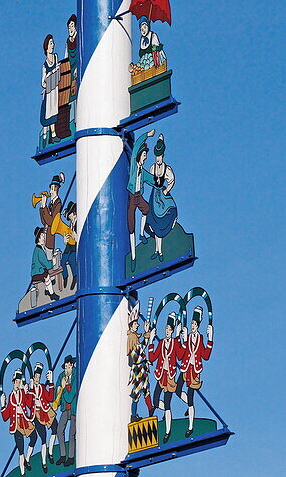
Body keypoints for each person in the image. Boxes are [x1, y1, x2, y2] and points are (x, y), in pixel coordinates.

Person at [175, 307, 213, 438]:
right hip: (185, 368)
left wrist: (210, 339)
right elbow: (180, 356)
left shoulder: (200, 338)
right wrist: (183, 340)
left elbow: (205, 355)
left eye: (194, 324)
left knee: (191, 398)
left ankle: (190, 426)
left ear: (198, 325)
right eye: (191, 324)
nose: (192, 326)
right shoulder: (188, 337)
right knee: (177, 389)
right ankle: (188, 405)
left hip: (194, 371)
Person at [147, 313, 180, 443]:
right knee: (155, 401)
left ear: (172, 331)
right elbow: (152, 357)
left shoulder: (175, 343)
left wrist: (180, 336)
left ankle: (167, 431)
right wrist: (151, 342)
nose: (166, 331)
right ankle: (164, 417)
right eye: (166, 329)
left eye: (169, 329)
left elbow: (182, 354)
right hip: (161, 376)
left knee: (167, 404)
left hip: (170, 377)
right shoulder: (161, 343)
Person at [144, 135, 177, 261]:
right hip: (154, 196)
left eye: (160, 156)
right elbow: (150, 179)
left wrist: (167, 190)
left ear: (162, 156)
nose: (158, 159)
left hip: (162, 197)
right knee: (154, 221)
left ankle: (160, 251)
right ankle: (157, 250)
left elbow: (171, 180)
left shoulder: (166, 168)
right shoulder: (153, 167)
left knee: (162, 220)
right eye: (156, 156)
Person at [127, 129, 156, 269]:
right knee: (130, 226)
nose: (145, 158)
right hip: (131, 197)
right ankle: (133, 257)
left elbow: (152, 180)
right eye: (144, 155)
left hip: (138, 196)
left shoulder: (142, 172)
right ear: (139, 156)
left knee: (146, 209)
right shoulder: (134, 165)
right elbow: (137, 145)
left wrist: (160, 181)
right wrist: (147, 136)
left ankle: (141, 233)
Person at [0, 370, 36, 476]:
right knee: (20, 449)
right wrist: (3, 405)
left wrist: (27, 392)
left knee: (34, 437)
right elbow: (6, 416)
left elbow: (29, 404)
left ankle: (27, 459)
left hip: (25, 420)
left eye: (19, 381)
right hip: (16, 425)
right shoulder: (11, 397)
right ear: (13, 382)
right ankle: (22, 473)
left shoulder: (22, 393)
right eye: (16, 381)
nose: (18, 383)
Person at [28, 363, 57, 474]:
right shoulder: (30, 390)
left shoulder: (41, 387)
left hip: (46, 411)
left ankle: (50, 452)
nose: (37, 379)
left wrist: (50, 382)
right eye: (36, 377)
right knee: (43, 438)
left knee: (55, 429)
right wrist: (30, 390)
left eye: (39, 377)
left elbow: (50, 397)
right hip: (37, 415)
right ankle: (44, 462)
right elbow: (29, 403)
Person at [128, 302, 154, 421]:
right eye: (136, 323)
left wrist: (147, 334)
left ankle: (150, 410)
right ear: (131, 325)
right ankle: (134, 415)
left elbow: (142, 347)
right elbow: (139, 350)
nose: (137, 325)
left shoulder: (134, 339)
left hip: (142, 368)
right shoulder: (132, 339)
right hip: (138, 369)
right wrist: (147, 336)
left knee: (146, 390)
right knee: (138, 393)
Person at [52, 356, 77, 467]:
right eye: (65, 367)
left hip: (73, 408)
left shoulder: (76, 375)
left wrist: (64, 387)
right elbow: (56, 394)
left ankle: (71, 457)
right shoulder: (62, 376)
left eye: (68, 366)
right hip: (65, 408)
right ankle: (63, 455)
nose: (66, 369)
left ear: (72, 366)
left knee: (72, 433)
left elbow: (70, 397)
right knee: (59, 430)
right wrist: (58, 391)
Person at [39, 35, 61, 149]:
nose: (53, 45)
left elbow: (59, 69)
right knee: (48, 113)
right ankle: (48, 136)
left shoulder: (56, 57)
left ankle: (54, 135)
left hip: (55, 88)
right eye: (51, 43)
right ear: (46, 47)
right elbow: (43, 82)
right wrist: (48, 77)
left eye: (53, 43)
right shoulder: (45, 65)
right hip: (49, 91)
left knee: (54, 111)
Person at [30, 226, 59, 305]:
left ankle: (47, 290)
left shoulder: (41, 248)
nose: (44, 237)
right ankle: (52, 294)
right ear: (38, 238)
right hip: (37, 272)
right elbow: (45, 263)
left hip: (39, 270)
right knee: (46, 277)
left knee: (47, 275)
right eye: (42, 236)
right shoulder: (39, 250)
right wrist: (53, 262)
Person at [39, 174, 64, 262]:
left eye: (52, 188)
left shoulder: (58, 203)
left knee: (49, 258)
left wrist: (44, 207)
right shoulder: (51, 204)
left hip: (50, 238)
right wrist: (42, 207)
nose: (50, 191)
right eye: (51, 188)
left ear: (56, 188)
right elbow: (44, 221)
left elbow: (51, 222)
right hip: (45, 235)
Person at [58, 202, 77, 291]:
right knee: (62, 261)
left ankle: (75, 277)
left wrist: (75, 236)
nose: (69, 216)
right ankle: (65, 277)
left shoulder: (78, 224)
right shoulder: (71, 224)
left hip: (74, 247)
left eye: (69, 214)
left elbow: (79, 238)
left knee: (72, 260)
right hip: (69, 246)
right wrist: (65, 241)